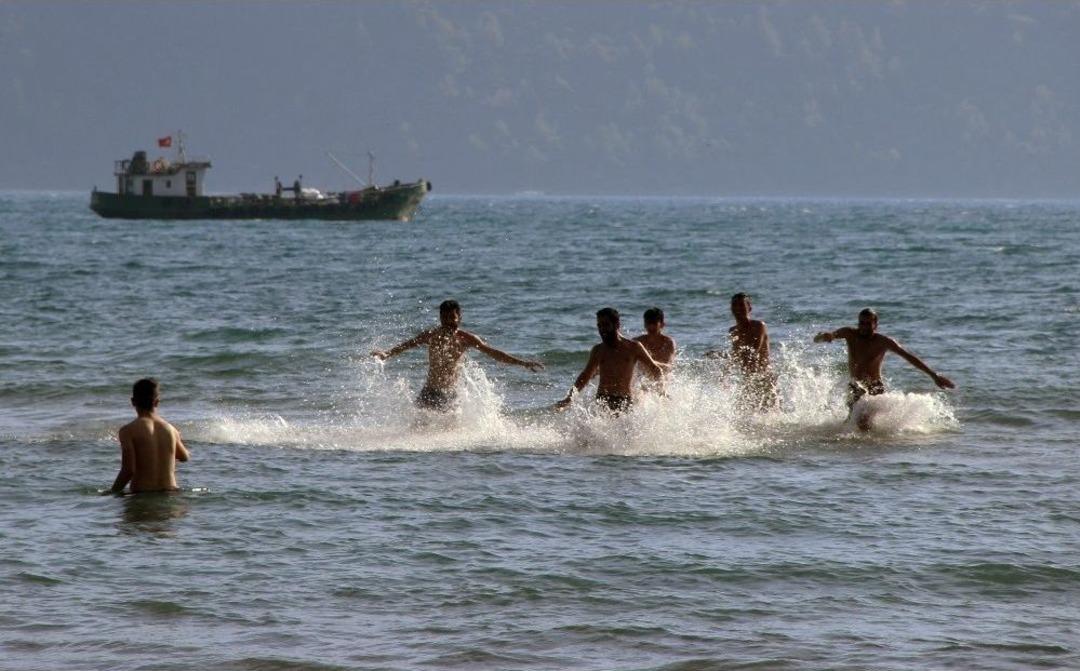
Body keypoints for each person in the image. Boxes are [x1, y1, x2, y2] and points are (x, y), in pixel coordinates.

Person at [371, 300, 544, 411]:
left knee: (449, 437)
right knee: (418, 430)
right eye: (445, 318)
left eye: (452, 318)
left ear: (459, 317)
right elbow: (408, 345)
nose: (448, 322)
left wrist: (523, 363)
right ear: (440, 318)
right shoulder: (431, 335)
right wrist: (387, 354)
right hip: (429, 391)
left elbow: (494, 354)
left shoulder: (466, 339)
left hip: (450, 393)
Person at [814, 308, 955, 429]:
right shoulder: (849, 333)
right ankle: (865, 450)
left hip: (874, 388)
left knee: (863, 424)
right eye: (861, 323)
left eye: (868, 323)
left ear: (875, 324)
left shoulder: (883, 342)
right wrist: (824, 336)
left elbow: (909, 357)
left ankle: (871, 453)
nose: (863, 327)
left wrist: (934, 375)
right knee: (851, 423)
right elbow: (821, 338)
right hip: (855, 387)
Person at [555, 307, 665, 414]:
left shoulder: (633, 347)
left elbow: (655, 369)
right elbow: (585, 375)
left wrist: (661, 392)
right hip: (602, 400)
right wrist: (569, 399)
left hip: (624, 401)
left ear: (617, 325)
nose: (602, 329)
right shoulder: (598, 350)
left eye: (606, 325)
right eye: (599, 326)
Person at [110, 378, 190, 495]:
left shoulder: (128, 431)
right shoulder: (171, 429)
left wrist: (112, 492)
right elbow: (184, 457)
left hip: (142, 493)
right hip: (170, 492)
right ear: (157, 402)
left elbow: (128, 470)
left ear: (133, 401)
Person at [706, 293, 777, 410]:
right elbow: (736, 355)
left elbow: (752, 352)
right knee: (742, 417)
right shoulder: (733, 331)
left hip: (764, 379)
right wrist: (725, 374)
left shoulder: (758, 326)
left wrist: (723, 355)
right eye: (734, 305)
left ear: (749, 307)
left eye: (741, 305)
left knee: (770, 418)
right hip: (748, 380)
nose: (737, 308)